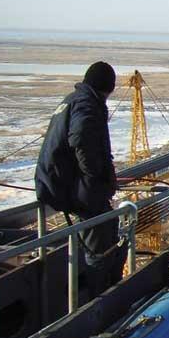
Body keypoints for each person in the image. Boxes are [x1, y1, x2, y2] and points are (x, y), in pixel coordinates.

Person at [35, 61, 126, 298]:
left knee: (109, 230)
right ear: (108, 88)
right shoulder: (87, 105)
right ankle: (100, 301)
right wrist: (97, 176)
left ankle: (103, 290)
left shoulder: (72, 99)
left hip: (61, 183)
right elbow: (81, 139)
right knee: (100, 247)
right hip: (76, 188)